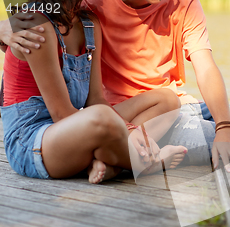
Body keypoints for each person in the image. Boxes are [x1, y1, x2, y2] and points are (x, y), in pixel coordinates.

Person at [0, 0, 230, 227]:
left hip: (156, 108)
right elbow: (31, 12)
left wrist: (225, 126)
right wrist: (7, 26)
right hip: (78, 125)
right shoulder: (81, 9)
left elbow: (204, 67)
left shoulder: (96, 17)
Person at [0, 0, 187, 185]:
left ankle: (110, 161)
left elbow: (96, 99)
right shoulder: (34, 24)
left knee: (166, 100)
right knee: (103, 117)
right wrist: (130, 130)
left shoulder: (89, 23)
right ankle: (148, 163)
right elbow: (61, 113)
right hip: (32, 142)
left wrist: (129, 129)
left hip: (74, 126)